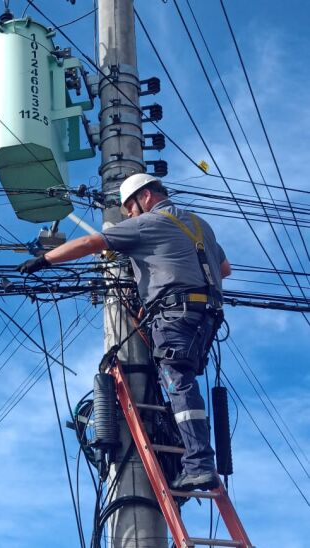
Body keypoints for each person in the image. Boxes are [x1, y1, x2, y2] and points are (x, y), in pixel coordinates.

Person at [17, 173, 231, 491]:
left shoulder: (149, 223)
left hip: (176, 314)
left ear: (145, 197)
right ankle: (194, 458)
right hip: (207, 315)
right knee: (181, 380)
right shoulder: (200, 225)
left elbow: (93, 242)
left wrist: (44, 260)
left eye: (130, 208)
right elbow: (224, 269)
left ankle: (199, 463)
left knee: (177, 379)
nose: (130, 215)